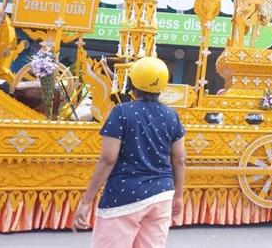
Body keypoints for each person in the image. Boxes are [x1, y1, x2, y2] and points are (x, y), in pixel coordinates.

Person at [72, 56, 186, 248]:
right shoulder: (171, 116)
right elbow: (179, 159)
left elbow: (108, 159)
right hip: (161, 194)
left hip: (123, 196)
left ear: (132, 83)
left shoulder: (122, 112)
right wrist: (178, 196)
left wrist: (86, 201)